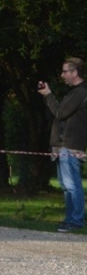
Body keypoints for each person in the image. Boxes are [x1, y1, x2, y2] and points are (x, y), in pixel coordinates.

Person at [38, 57, 87, 233]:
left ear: (74, 72)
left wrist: (48, 95)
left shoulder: (80, 92)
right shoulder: (75, 93)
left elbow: (60, 113)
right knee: (67, 186)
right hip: (63, 145)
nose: (62, 75)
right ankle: (70, 219)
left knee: (72, 185)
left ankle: (76, 220)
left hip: (70, 145)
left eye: (65, 71)